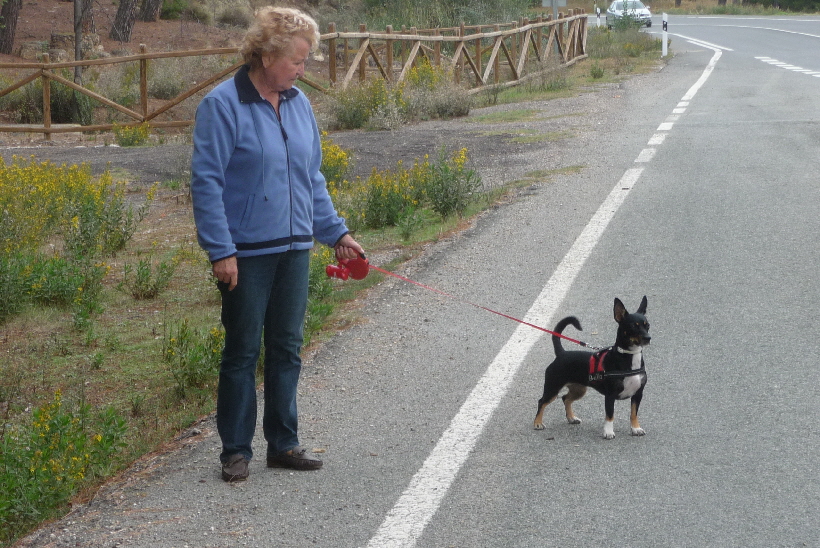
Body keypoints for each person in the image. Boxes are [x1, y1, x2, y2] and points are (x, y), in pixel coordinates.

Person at [190, 6, 364, 483]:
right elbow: (206, 184)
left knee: (287, 348)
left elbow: (311, 179)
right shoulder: (222, 105)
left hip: (294, 250)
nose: (303, 69)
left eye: (306, 61)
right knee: (243, 351)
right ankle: (235, 450)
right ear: (267, 55)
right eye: (298, 60)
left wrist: (337, 233)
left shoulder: (299, 103)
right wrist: (220, 249)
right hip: (245, 254)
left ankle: (283, 443)